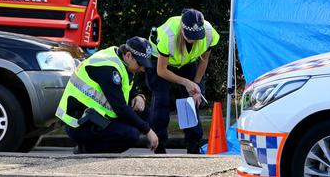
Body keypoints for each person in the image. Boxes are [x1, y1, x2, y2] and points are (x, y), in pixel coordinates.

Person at [55, 36, 160, 153]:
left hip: (98, 116)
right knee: (130, 135)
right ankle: (85, 150)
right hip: (79, 123)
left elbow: (125, 87)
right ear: (129, 55)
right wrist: (147, 131)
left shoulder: (121, 59)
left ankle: (160, 153)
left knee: (144, 111)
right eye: (140, 63)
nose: (143, 68)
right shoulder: (108, 68)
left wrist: (138, 95)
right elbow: (120, 107)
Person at [146, 8, 220, 154]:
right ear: (181, 29)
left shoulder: (210, 33)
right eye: (190, 36)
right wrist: (186, 82)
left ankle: (193, 144)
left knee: (191, 101)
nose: (193, 40)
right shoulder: (169, 35)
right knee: (162, 99)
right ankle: (159, 145)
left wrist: (196, 85)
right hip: (159, 62)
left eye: (196, 36)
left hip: (186, 61)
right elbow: (162, 70)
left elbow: (204, 61)